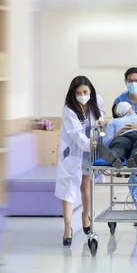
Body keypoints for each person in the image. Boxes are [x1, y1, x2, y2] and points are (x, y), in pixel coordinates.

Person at [55, 76, 104, 247]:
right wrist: (89, 144)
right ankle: (67, 228)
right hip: (73, 153)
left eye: (85, 91)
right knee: (68, 189)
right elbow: (76, 133)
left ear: (90, 90)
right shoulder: (68, 110)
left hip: (89, 151)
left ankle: (85, 216)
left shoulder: (96, 101)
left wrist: (100, 126)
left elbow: (100, 119)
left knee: (86, 186)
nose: (82, 95)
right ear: (72, 94)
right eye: (78, 93)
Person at [97, 102, 137, 168]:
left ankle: (136, 157)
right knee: (118, 145)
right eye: (117, 107)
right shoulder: (114, 121)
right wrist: (117, 134)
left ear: (132, 107)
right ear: (118, 114)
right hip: (122, 137)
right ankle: (115, 157)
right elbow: (105, 143)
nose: (121, 104)